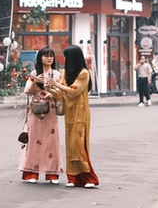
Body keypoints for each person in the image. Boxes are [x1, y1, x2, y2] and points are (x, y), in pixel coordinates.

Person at [48, 44, 98, 188]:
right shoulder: (66, 74)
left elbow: (73, 91)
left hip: (81, 114)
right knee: (70, 146)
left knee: (78, 145)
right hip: (69, 114)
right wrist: (48, 88)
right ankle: (73, 178)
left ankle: (89, 178)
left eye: (67, 58)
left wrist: (57, 85)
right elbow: (61, 94)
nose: (65, 60)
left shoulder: (84, 73)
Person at [18, 46, 63, 184]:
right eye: (46, 55)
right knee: (34, 141)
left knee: (51, 142)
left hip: (50, 110)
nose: (49, 58)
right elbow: (28, 92)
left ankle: (52, 174)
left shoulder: (57, 74)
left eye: (51, 56)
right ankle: (31, 173)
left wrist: (52, 92)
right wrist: (35, 81)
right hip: (36, 110)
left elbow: (61, 92)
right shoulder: (34, 73)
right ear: (40, 58)